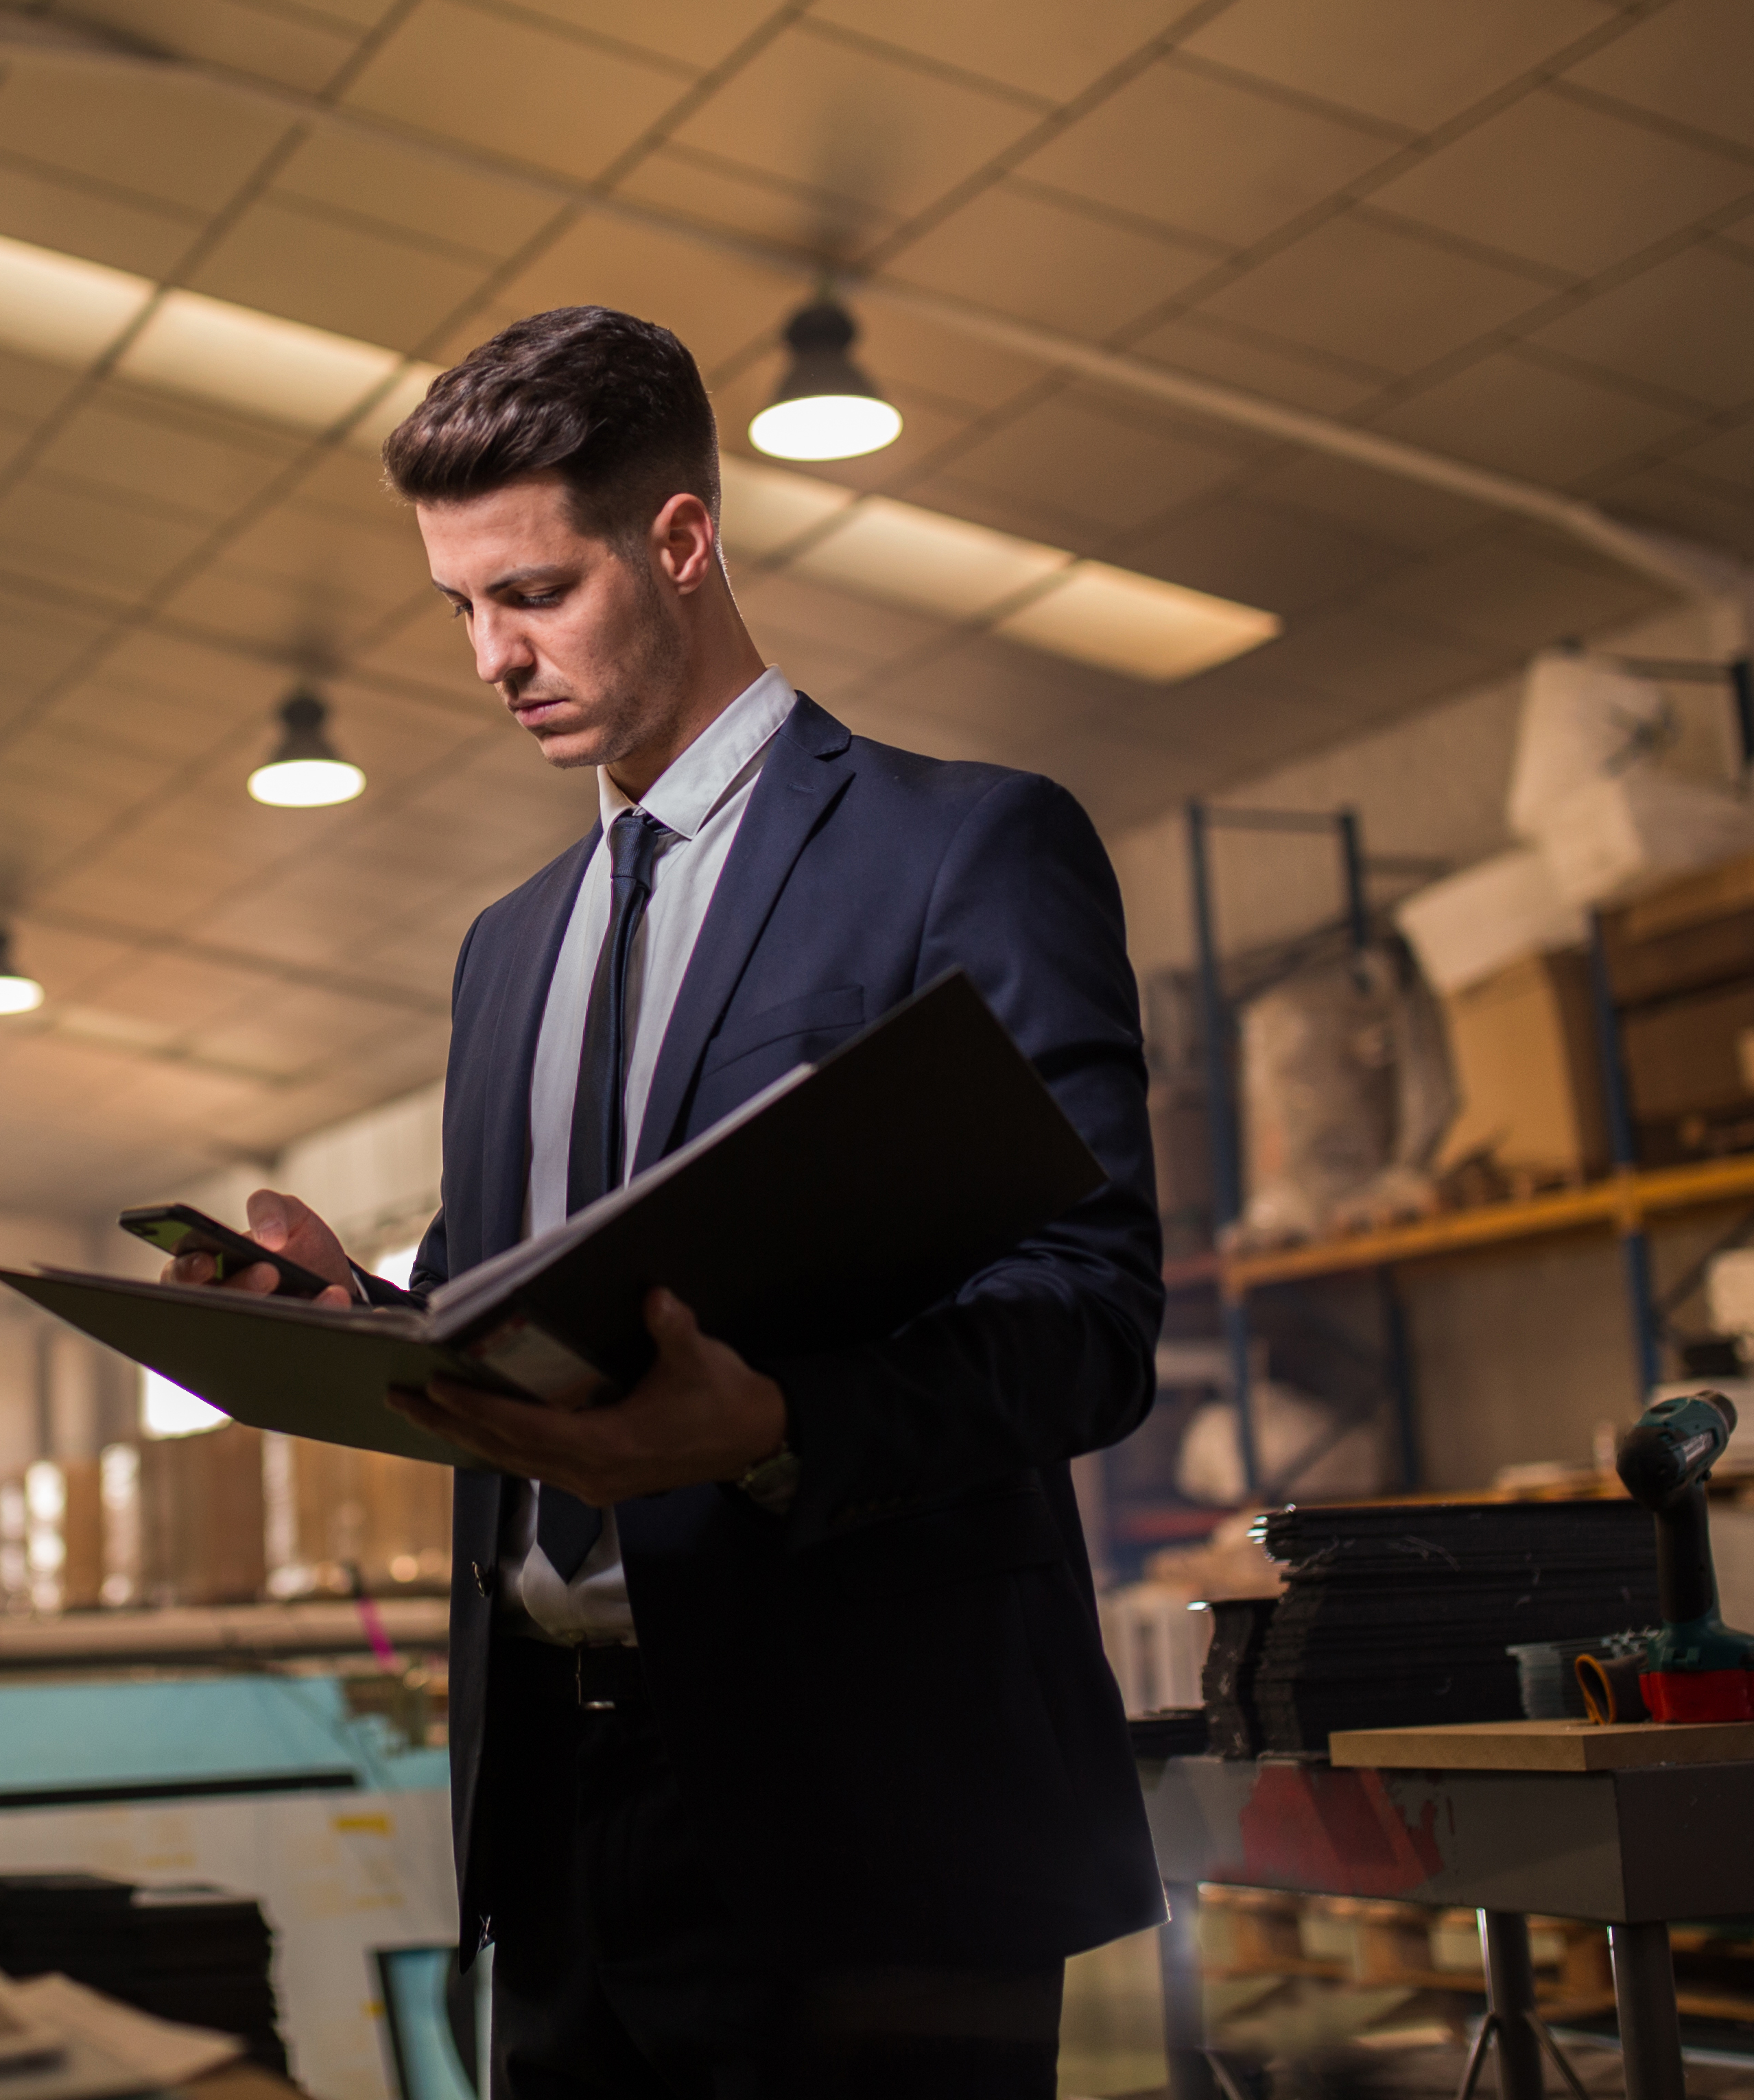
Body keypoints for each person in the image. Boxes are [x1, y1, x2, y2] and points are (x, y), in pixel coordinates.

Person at [167, 306, 1164, 2096]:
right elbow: (527, 1315)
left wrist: (774, 1426)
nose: (490, 656)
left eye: (533, 592)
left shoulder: (965, 853)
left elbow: (1089, 1318)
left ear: (684, 542)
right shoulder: (507, 955)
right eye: (460, 608)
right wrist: (365, 1324)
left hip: (873, 1832)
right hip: (558, 1820)